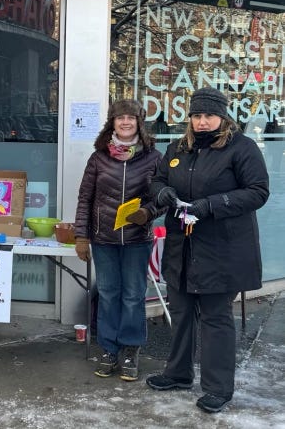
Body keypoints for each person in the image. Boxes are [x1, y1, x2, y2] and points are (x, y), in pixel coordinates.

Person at [146, 87, 269, 414]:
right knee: (182, 312)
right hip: (181, 246)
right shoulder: (177, 147)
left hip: (221, 248)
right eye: (197, 116)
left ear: (222, 117)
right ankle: (178, 373)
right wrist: (163, 193)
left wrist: (210, 205)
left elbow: (257, 192)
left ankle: (217, 388)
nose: (202, 122)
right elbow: (157, 181)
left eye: (209, 116)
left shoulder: (241, 148)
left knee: (215, 319)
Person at [74, 99, 162, 381]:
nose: (125, 122)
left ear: (139, 122)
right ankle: (109, 349)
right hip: (104, 239)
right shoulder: (98, 157)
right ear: (112, 122)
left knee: (133, 295)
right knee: (109, 295)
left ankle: (130, 349)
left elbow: (163, 198)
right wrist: (81, 236)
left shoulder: (153, 157)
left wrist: (147, 213)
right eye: (120, 117)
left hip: (138, 239)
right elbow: (85, 198)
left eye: (131, 118)